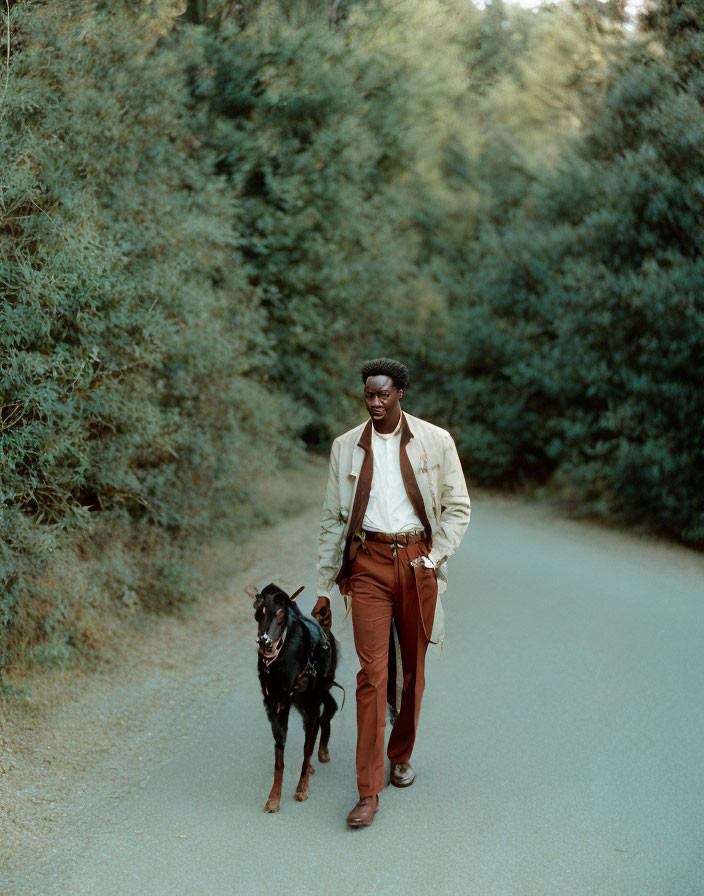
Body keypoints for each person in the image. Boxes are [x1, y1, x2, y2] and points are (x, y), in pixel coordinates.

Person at [313, 357, 471, 828]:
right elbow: (332, 520)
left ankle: (400, 753)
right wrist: (324, 585)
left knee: (414, 672)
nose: (375, 403)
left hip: (416, 561)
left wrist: (435, 554)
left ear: (400, 393)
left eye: (384, 395)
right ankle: (368, 791)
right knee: (371, 676)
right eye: (369, 395)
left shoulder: (435, 441)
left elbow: (458, 505)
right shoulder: (346, 447)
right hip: (368, 565)